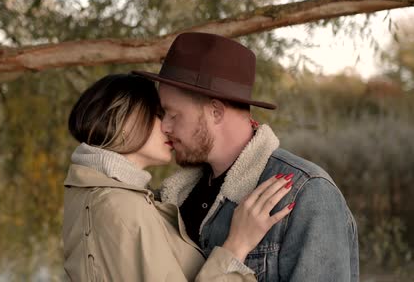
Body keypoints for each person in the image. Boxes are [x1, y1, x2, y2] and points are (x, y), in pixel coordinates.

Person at [132, 32, 359, 281]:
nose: (164, 126)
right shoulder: (174, 197)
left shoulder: (305, 193)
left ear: (216, 111)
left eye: (173, 115)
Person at [63, 73, 296, 281]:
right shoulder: (121, 207)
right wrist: (238, 245)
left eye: (170, 115)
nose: (166, 127)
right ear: (124, 121)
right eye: (158, 114)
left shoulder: (97, 194)